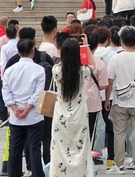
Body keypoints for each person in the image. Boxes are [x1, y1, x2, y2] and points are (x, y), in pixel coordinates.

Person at [50, 37, 96, 176]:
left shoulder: (56, 70)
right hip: (79, 114)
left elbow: (61, 61)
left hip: (61, 114)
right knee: (80, 147)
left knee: (60, 147)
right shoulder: (83, 71)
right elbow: (93, 65)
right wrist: (86, 47)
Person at [105, 26, 135, 174]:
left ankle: (120, 165)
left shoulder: (115, 58)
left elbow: (110, 81)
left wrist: (107, 100)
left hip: (119, 101)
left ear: (121, 41)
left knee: (119, 134)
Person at [2, 38, 46, 177]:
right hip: (33, 116)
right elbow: (38, 93)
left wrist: (15, 109)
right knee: (35, 149)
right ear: (33, 52)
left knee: (15, 149)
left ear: (18, 52)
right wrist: (27, 109)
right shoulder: (39, 70)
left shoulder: (9, 70)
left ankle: (13, 174)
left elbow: (6, 92)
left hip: (16, 117)